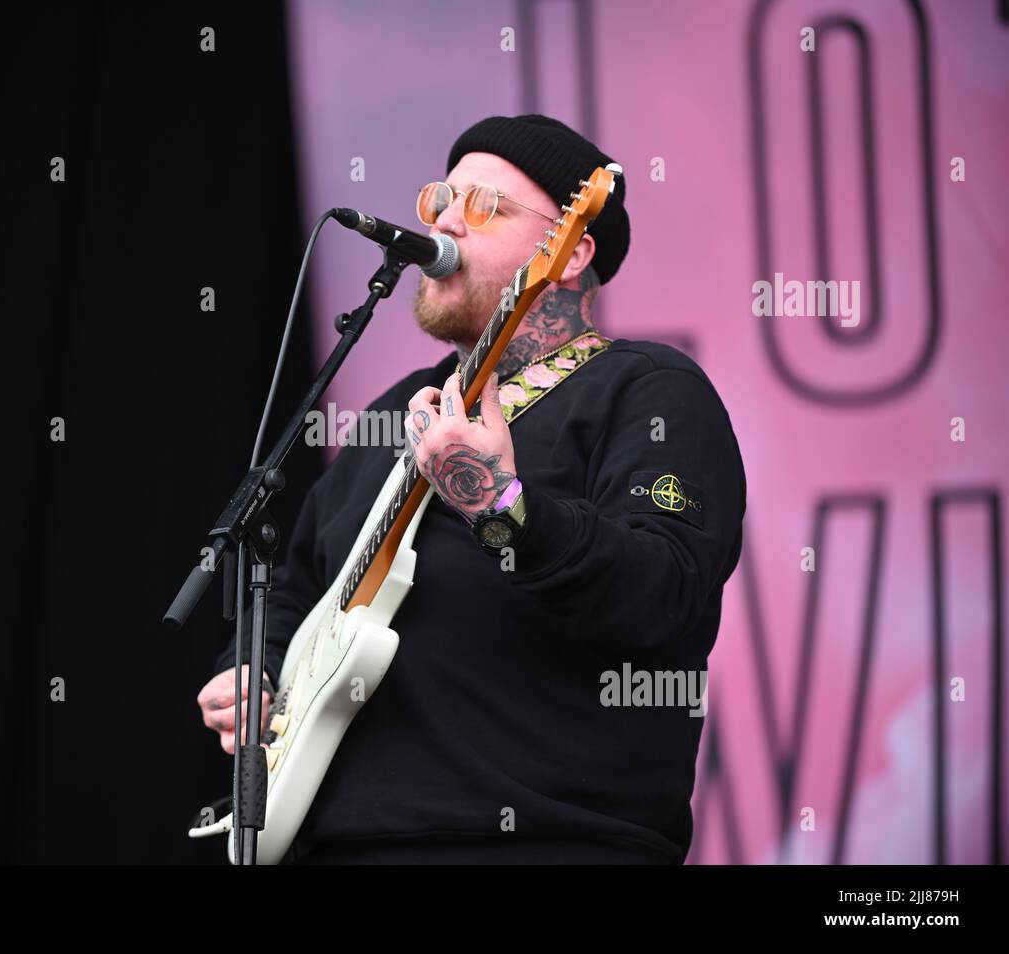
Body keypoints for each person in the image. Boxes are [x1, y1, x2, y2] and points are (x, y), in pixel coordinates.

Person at [196, 114, 746, 864]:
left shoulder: (649, 393)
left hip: (550, 840)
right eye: (442, 200)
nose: (448, 222)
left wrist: (501, 501)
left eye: (485, 206)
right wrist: (254, 665)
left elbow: (666, 595)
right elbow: (300, 586)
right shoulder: (395, 413)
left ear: (569, 250)